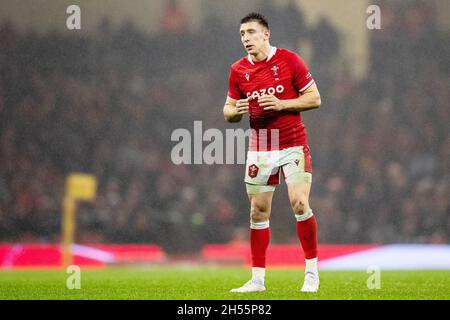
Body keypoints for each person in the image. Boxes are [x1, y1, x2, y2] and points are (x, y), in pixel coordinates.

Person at [223, 13, 321, 293]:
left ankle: (312, 273)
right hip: (260, 146)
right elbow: (227, 110)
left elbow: (314, 98)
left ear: (266, 34)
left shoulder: (290, 60)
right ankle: (257, 280)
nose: (246, 38)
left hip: (292, 143)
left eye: (251, 32)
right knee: (257, 211)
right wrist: (234, 112)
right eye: (242, 34)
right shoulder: (238, 70)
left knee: (300, 203)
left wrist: (281, 105)